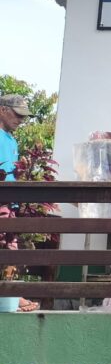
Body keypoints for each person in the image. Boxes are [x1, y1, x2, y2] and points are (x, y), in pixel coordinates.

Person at [0, 95, 38, 312]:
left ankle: (11, 295)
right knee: (8, 249)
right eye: (17, 114)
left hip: (10, 203)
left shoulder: (11, 140)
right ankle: (12, 295)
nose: (21, 120)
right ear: (3, 110)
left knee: (11, 248)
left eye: (24, 117)